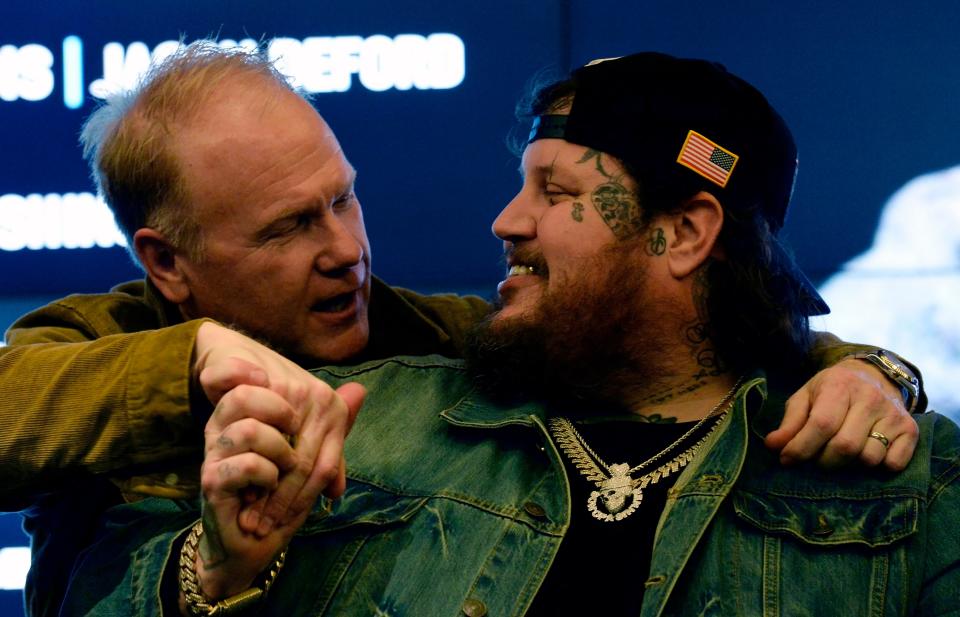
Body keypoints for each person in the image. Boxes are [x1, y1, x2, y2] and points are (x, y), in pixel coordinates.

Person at [0, 43, 922, 614]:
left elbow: (631, 327)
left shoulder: (411, 342)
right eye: (289, 226)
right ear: (166, 263)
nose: (346, 250)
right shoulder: (94, 338)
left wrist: (861, 367)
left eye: (343, 198)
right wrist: (198, 361)